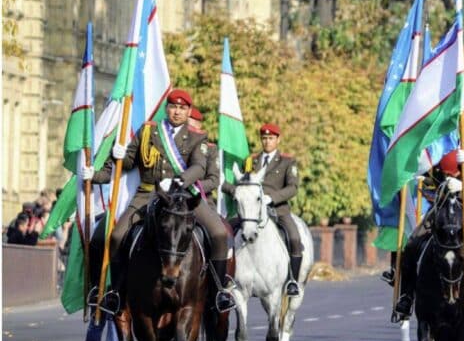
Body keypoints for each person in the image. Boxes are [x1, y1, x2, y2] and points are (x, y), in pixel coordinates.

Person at [84, 89, 235, 311]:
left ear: (188, 111)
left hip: (183, 195)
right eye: (173, 107)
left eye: (182, 108)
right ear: (167, 109)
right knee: (116, 235)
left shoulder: (197, 137)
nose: (177, 112)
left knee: (219, 233)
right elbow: (127, 164)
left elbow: (199, 166)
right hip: (148, 194)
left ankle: (219, 291)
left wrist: (179, 181)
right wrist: (106, 165)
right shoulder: (147, 131)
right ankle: (115, 292)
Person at [392, 111, 464, 319]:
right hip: (441, 212)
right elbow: (431, 182)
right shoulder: (443, 146)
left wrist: (462, 188)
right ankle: (407, 297)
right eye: (463, 124)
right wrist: (423, 174)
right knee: (412, 245)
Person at [224, 123, 303, 296]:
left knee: (295, 238)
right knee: (226, 231)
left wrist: (272, 198)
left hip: (277, 210)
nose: (267, 142)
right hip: (251, 211)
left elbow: (293, 187)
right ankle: (227, 279)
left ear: (278, 139)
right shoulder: (251, 160)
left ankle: (292, 281)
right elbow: (242, 184)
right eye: (264, 138)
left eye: (271, 138)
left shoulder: (287, 161)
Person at [188, 107, 221, 210]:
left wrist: (193, 188)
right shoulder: (173, 145)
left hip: (201, 198)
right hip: (173, 197)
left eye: (189, 124)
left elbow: (214, 180)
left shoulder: (210, 149)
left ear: (199, 125)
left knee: (217, 226)